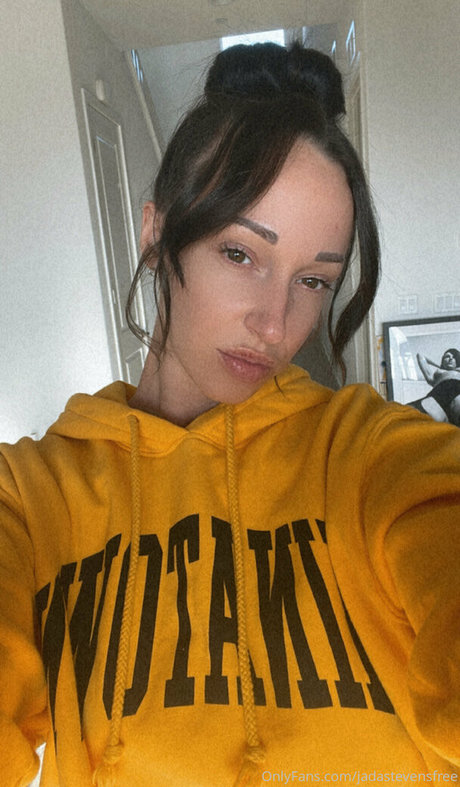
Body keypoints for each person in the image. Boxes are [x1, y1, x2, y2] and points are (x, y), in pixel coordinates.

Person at [1, 42, 460, 787]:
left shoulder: (369, 457)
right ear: (156, 235)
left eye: (314, 280)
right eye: (241, 254)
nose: (275, 324)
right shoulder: (29, 498)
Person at [408, 348, 460, 425]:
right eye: (447, 356)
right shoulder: (435, 376)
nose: (451, 358)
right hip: (436, 399)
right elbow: (421, 355)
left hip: (457, 394)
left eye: (454, 357)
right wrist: (441, 367)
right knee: (406, 412)